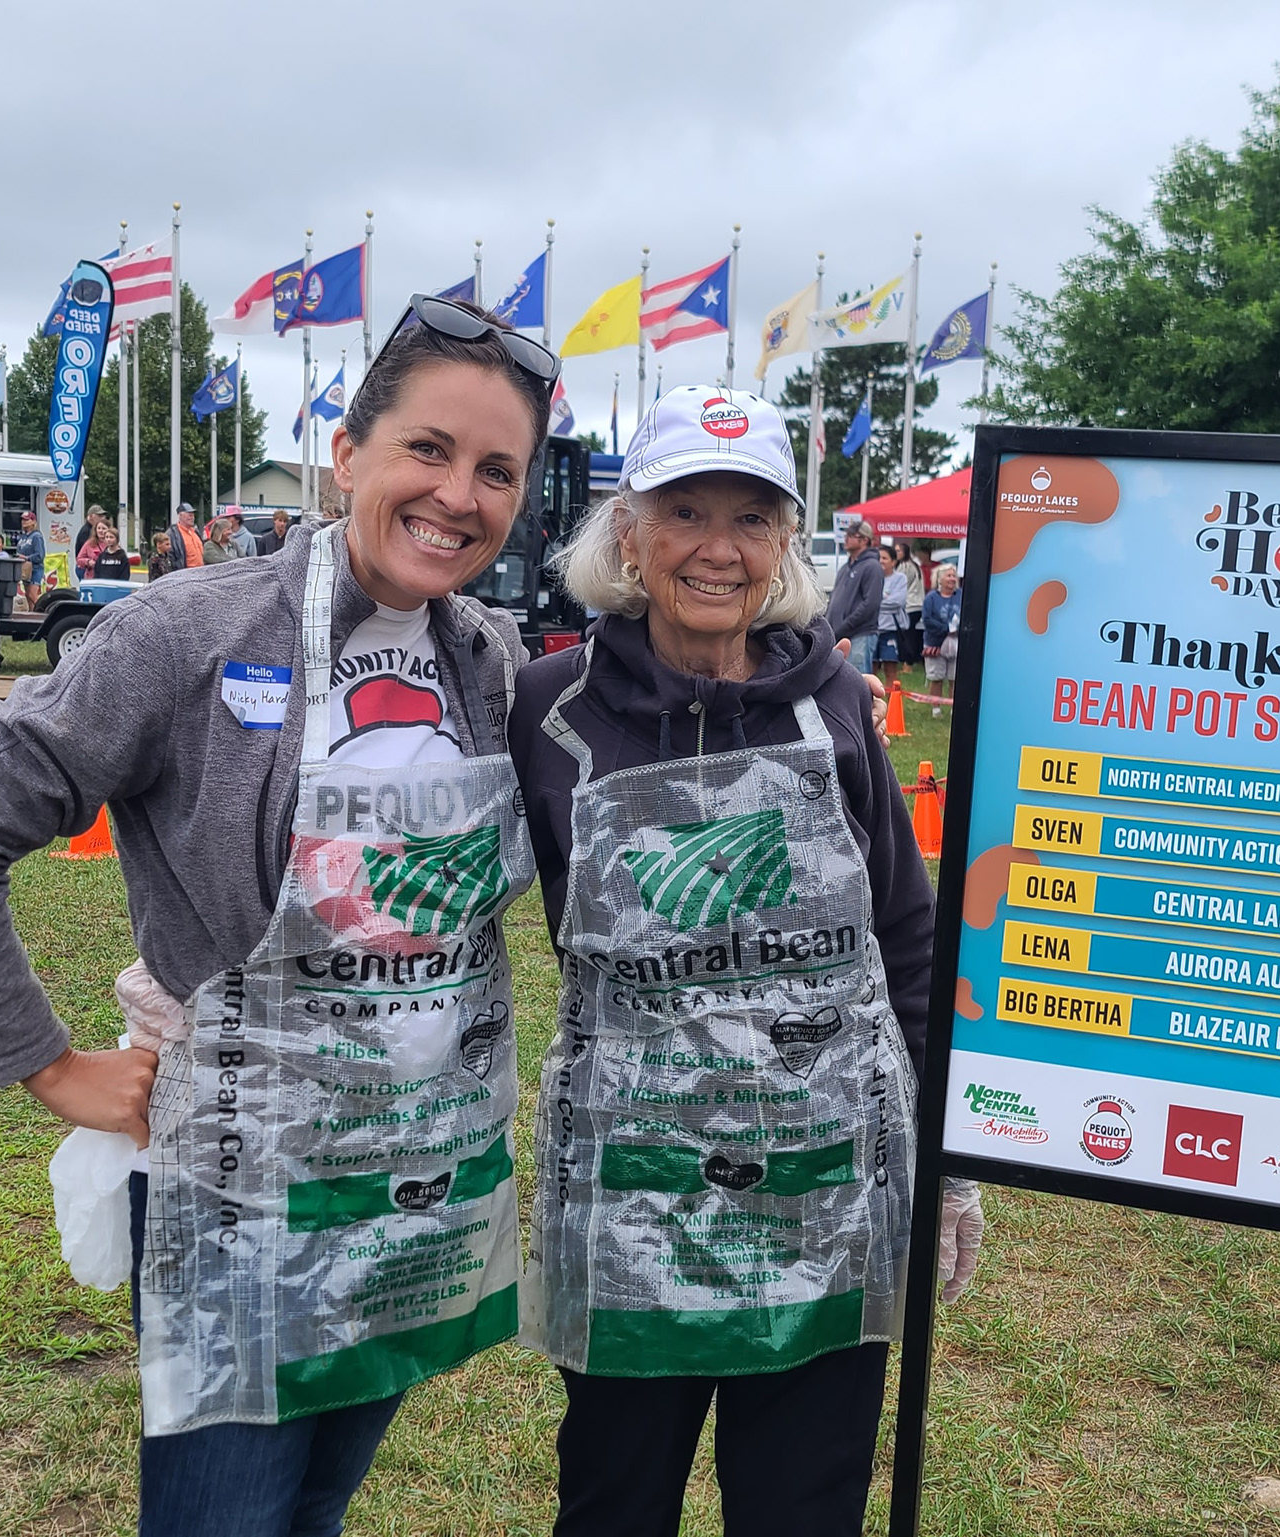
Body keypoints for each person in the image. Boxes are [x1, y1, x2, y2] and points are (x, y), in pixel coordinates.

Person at [0, 295, 561, 1536]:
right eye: (430, 449)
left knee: (316, 1505)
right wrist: (43, 1063)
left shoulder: (492, 660)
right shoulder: (185, 632)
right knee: (223, 1520)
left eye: (497, 470)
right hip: (234, 1177)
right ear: (347, 454)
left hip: (413, 1170)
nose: (459, 494)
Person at [510, 385, 982, 1537]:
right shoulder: (545, 710)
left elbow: (905, 934)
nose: (717, 549)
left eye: (753, 517)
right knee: (614, 1506)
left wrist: (951, 1162)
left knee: (801, 1512)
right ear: (629, 529)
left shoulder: (838, 708)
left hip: (823, 1200)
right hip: (630, 1207)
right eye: (685, 512)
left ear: (785, 544)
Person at [824, 518, 882, 674]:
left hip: (859, 635)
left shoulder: (872, 566)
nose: (846, 538)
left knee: (857, 680)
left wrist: (844, 626)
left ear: (864, 540)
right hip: (840, 635)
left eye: (851, 535)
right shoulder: (845, 568)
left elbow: (870, 604)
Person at [922, 562, 962, 716]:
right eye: (949, 575)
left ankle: (954, 709)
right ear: (939, 579)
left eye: (954, 575)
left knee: (954, 678)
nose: (952, 579)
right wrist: (946, 629)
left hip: (957, 643)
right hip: (935, 643)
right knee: (936, 677)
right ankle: (936, 709)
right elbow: (927, 619)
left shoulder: (961, 595)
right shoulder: (931, 598)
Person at [876, 544, 908, 683]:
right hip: (872, 630)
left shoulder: (900, 578)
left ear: (893, 561)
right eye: (878, 558)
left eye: (884, 558)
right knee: (871, 670)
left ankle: (891, 704)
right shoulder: (872, 577)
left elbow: (897, 602)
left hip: (891, 630)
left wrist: (875, 604)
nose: (881, 561)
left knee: (890, 670)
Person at [892, 540, 924, 668]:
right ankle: (910, 661)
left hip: (910, 604)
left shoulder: (905, 567)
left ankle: (908, 664)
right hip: (916, 604)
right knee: (911, 634)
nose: (896, 553)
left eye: (898, 551)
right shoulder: (914, 565)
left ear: (904, 553)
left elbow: (899, 585)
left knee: (907, 635)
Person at [17, 510, 49, 605]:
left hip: (35, 569)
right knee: (27, 595)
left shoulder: (37, 536)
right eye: (22, 520)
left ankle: (40, 611)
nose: (24, 522)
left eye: (27, 520)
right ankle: (32, 614)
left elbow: (40, 555)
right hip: (25, 569)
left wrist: (27, 558)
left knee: (32, 595)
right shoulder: (22, 536)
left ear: (33, 521)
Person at [165, 503, 204, 572]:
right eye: (189, 515)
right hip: (185, 574)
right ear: (180, 516)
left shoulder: (195, 532)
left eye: (193, 515)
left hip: (200, 572)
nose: (192, 517)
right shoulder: (172, 534)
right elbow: (169, 556)